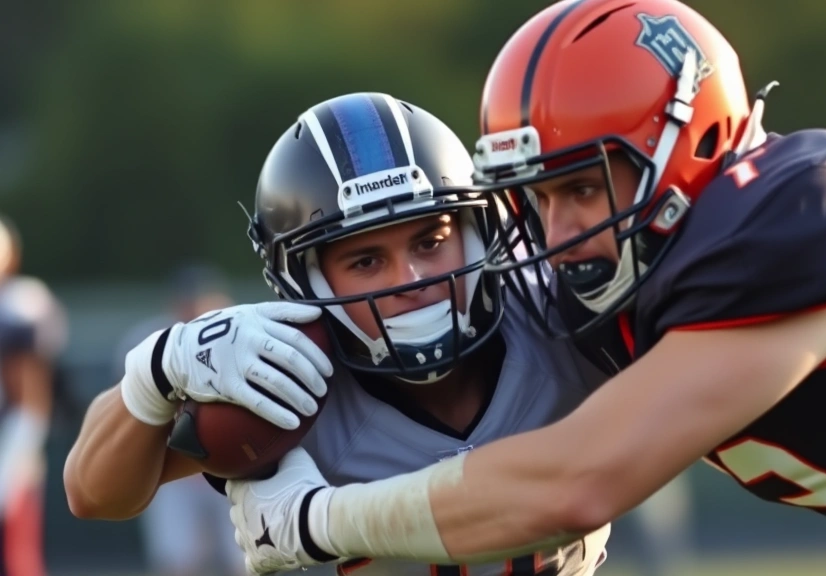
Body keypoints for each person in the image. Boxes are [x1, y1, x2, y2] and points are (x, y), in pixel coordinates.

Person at [221, 2, 826, 576]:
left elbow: (580, 481)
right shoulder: (615, 278)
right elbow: (121, 475)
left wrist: (314, 523)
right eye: (534, 195)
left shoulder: (797, 216)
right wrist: (166, 376)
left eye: (581, 188)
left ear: (691, 138)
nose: (556, 227)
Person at [63, 92, 611, 576]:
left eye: (430, 241)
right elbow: (93, 492)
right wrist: (157, 369)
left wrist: (316, 524)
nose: (411, 281)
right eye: (367, 260)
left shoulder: (562, 317)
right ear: (307, 280)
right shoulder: (290, 377)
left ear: (476, 231)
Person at [110, 264, 244, 576]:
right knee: (177, 561)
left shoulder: (241, 334)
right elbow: (130, 415)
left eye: (203, 298)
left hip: (232, 465)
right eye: (188, 300)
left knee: (247, 558)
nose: (195, 307)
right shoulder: (148, 343)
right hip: (172, 470)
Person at [0, 214, 67, 576]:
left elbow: (31, 395)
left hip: (10, 444)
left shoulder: (22, 303)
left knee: (16, 558)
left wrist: (10, 466)